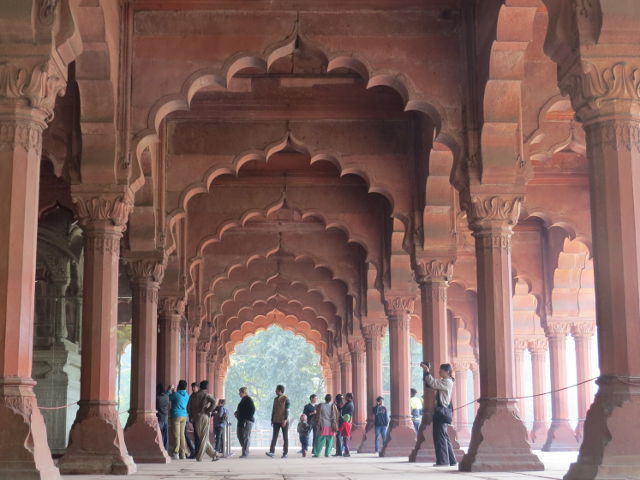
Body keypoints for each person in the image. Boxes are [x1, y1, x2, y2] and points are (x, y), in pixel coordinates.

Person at [421, 362, 457, 467]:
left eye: (441, 370)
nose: (439, 372)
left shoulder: (447, 382)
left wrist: (427, 371)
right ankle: (451, 460)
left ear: (447, 372)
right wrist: (426, 372)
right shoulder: (446, 381)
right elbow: (430, 384)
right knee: (444, 436)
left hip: (441, 412)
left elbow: (433, 383)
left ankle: (443, 461)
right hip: (443, 412)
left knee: (439, 437)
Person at [186, 380, 219, 462]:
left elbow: (188, 408)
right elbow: (214, 402)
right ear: (207, 387)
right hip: (204, 416)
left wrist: (191, 416)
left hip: (196, 418)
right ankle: (199, 457)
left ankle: (214, 454)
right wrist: (208, 410)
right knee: (204, 438)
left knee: (202, 438)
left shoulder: (193, 396)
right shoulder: (206, 394)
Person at [266, 384, 290, 458]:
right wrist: (272, 420)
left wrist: (285, 420)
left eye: (276, 390)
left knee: (285, 437)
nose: (275, 391)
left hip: (284, 421)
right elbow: (273, 410)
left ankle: (285, 453)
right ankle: (271, 452)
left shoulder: (286, 399)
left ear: (280, 391)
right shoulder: (275, 399)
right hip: (276, 420)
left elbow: (287, 410)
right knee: (274, 437)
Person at [169, 380, 190, 459]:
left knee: (177, 435)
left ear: (179, 386)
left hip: (176, 415)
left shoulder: (176, 394)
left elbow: (168, 396)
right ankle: (183, 453)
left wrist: (170, 390)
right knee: (182, 435)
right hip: (184, 416)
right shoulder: (187, 395)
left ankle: (176, 452)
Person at [235, 387, 255, 457]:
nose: (239, 394)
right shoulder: (243, 400)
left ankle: (245, 452)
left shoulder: (248, 400)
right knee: (239, 435)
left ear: (244, 392)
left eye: (240, 392)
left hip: (247, 420)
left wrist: (246, 418)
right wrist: (237, 413)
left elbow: (252, 410)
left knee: (245, 436)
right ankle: (245, 449)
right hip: (241, 420)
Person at [186, 382, 200, 459]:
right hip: (195, 418)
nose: (193, 389)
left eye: (194, 387)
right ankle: (196, 452)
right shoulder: (192, 396)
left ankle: (198, 452)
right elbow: (188, 407)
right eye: (192, 387)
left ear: (198, 387)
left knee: (199, 436)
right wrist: (190, 415)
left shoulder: (201, 395)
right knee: (196, 436)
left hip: (200, 418)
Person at [156, 383, 170, 452]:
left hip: (160, 417)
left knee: (160, 433)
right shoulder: (167, 397)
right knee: (166, 434)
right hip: (166, 417)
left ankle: (160, 448)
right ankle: (166, 449)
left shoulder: (157, 398)